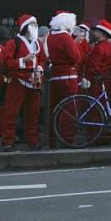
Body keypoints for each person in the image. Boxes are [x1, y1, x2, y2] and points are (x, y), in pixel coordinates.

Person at [1, 14, 46, 150]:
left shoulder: (38, 42)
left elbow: (43, 59)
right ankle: (8, 141)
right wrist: (23, 60)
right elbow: (7, 62)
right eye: (33, 25)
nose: (35, 27)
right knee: (11, 112)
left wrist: (39, 68)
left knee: (33, 113)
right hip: (18, 80)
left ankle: (33, 139)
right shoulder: (13, 42)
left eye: (36, 25)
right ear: (25, 27)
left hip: (35, 81)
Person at [46, 11, 82, 146]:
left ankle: (52, 139)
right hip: (68, 75)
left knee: (54, 108)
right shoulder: (66, 37)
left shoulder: (50, 36)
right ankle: (67, 138)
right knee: (69, 108)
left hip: (55, 74)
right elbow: (75, 57)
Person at [83, 20, 111, 99]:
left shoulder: (99, 48)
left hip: (96, 84)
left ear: (102, 33)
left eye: (96, 31)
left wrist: (87, 79)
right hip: (107, 83)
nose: (94, 33)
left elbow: (92, 68)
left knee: (95, 108)